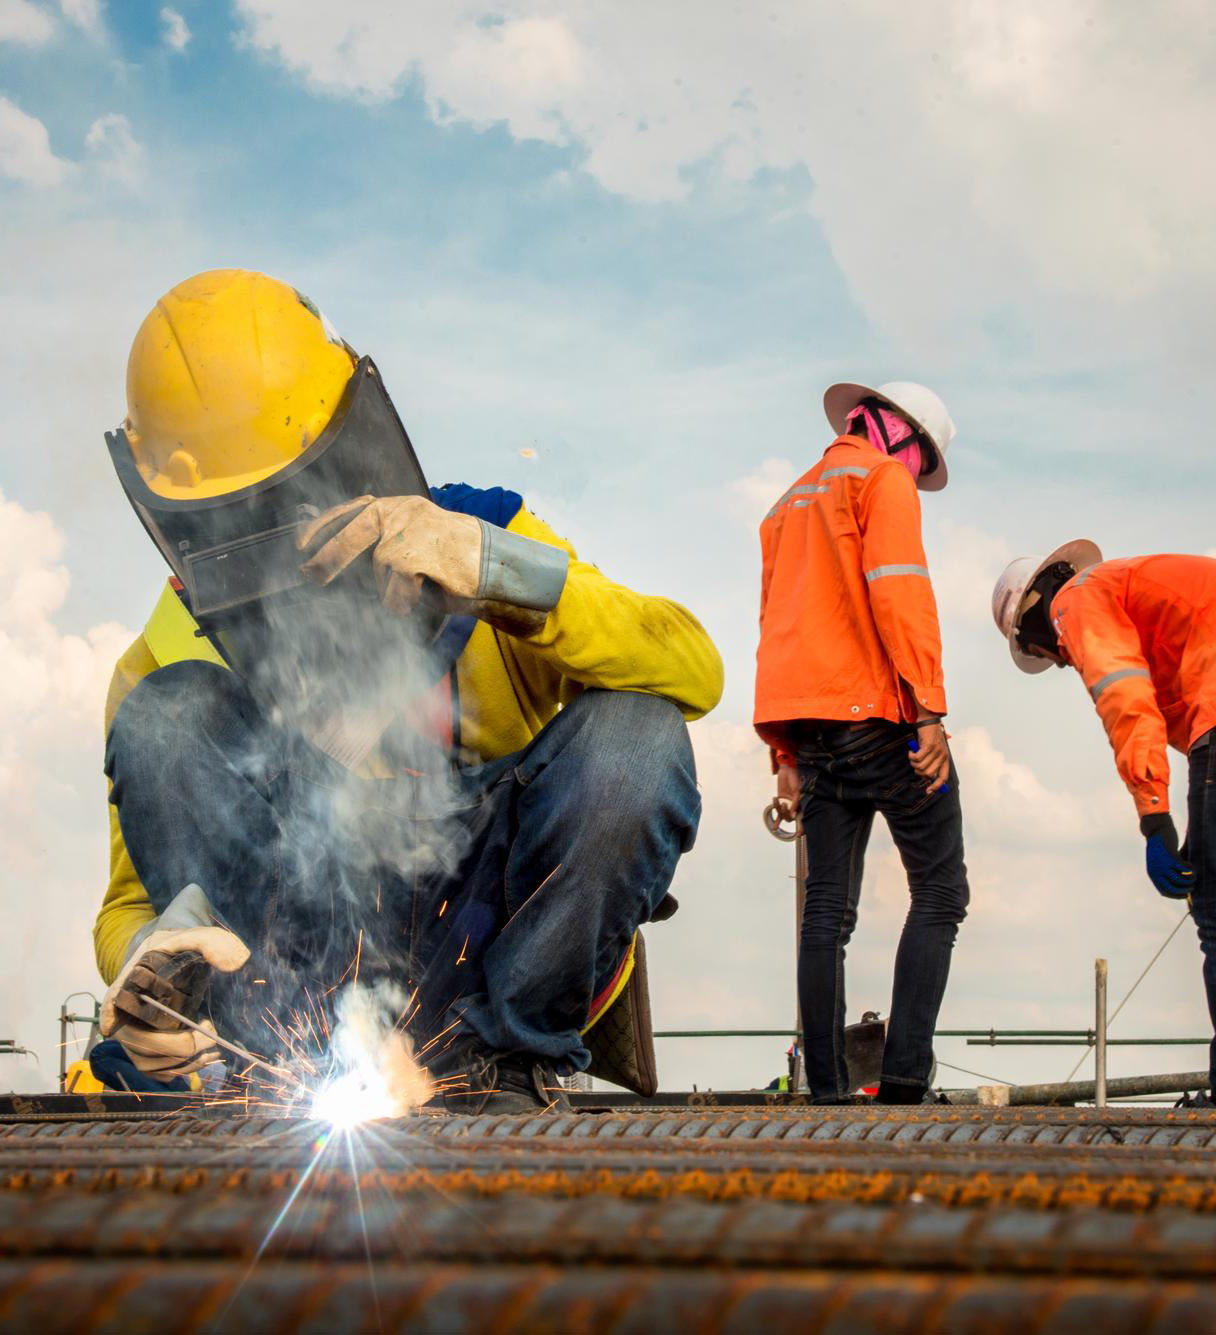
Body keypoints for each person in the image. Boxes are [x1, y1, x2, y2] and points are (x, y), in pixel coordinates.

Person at [93, 269, 723, 1113]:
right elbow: (134, 905)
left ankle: (501, 1062)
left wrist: (496, 570)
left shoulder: (479, 532)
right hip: (293, 966)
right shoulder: (165, 657)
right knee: (167, 720)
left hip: (482, 935)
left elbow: (694, 668)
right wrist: (150, 961)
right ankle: (265, 1058)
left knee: (637, 741)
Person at [754, 380, 969, 1105]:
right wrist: (930, 709)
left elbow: (773, 631)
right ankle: (905, 1080)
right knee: (941, 890)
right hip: (881, 718)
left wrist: (783, 755)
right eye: (921, 458)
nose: (915, 472)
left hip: (809, 729)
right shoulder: (881, 478)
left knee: (826, 910)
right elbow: (901, 592)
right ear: (901, 436)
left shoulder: (785, 505)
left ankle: (826, 1088)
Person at [992, 545, 1216, 1101]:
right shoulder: (1133, 590)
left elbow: (1126, 699)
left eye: (1043, 650)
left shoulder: (1080, 601)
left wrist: (1154, 819)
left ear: (1035, 614)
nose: (1062, 660)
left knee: (1214, 911)